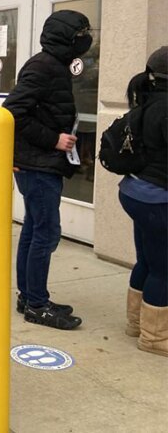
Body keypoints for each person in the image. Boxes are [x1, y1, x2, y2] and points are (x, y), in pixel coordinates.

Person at [3, 10, 92, 330]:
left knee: (35, 229)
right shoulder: (44, 66)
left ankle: (30, 296)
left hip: (40, 164)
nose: (86, 38)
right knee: (46, 233)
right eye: (81, 32)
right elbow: (12, 112)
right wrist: (54, 139)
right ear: (66, 36)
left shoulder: (54, 65)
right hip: (37, 165)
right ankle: (36, 304)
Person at [117, 46, 167, 356]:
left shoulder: (144, 101)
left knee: (148, 260)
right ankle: (155, 337)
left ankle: (136, 322)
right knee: (164, 268)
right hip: (158, 199)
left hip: (134, 192)